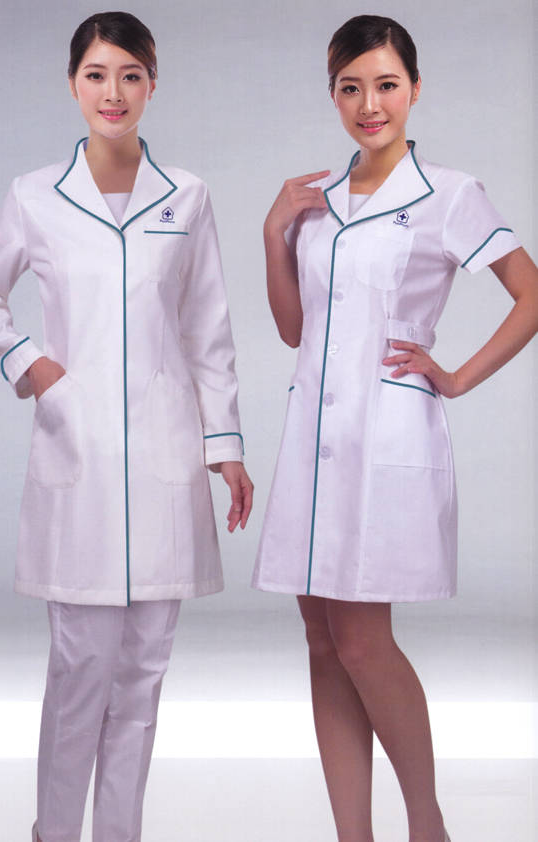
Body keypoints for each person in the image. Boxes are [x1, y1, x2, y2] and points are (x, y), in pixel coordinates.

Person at [0, 11, 253, 842]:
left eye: (130, 74)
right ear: (72, 84)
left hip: (165, 458)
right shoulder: (34, 195)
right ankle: (55, 833)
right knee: (80, 670)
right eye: (96, 74)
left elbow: (207, 330)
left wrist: (225, 447)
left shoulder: (186, 195)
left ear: (152, 84)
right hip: (78, 454)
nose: (113, 92)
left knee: (144, 675)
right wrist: (32, 365)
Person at [252, 14, 537, 842]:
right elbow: (294, 329)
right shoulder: (314, 201)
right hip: (311, 439)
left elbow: (530, 294)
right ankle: (354, 834)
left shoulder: (448, 193)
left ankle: (425, 824)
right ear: (332, 94)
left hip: (386, 438)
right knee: (319, 636)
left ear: (413, 89)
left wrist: (456, 376)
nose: (368, 105)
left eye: (384, 85)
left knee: (360, 640)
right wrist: (273, 233)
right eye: (350, 88)